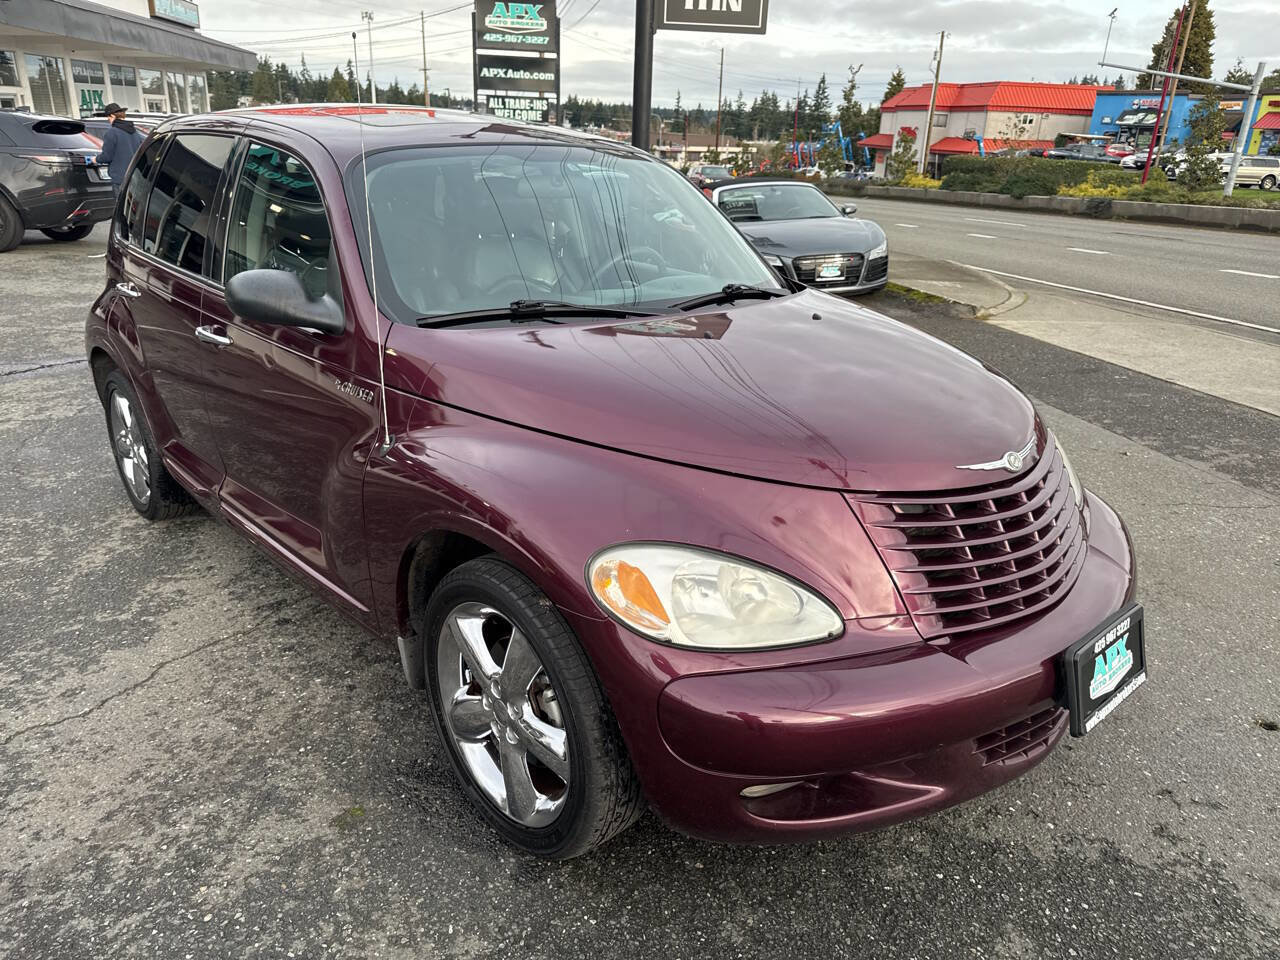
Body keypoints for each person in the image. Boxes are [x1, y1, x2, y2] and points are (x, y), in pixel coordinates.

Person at [95, 104, 145, 202]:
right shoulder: (135, 132)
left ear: (112, 116)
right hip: (135, 177)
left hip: (119, 178)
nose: (109, 121)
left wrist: (96, 159)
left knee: (121, 206)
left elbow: (107, 156)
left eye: (108, 118)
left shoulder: (112, 132)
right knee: (133, 207)